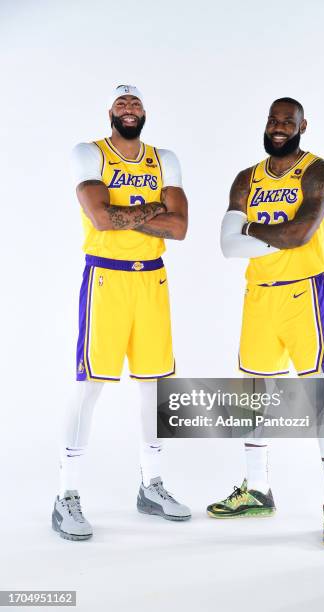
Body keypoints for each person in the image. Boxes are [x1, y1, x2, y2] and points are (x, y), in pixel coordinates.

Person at [52, 84, 191, 541]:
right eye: (121, 103)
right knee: (90, 384)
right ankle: (66, 496)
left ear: (144, 112)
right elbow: (99, 217)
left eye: (135, 103)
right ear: (109, 112)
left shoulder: (163, 158)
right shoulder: (88, 152)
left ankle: (151, 486)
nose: (129, 108)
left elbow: (180, 226)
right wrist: (151, 208)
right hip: (106, 278)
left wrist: (127, 211)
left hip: (152, 278)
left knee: (153, 388)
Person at [209, 97, 324, 547]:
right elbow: (228, 247)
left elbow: (301, 234)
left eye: (287, 122)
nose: (278, 128)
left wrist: (250, 232)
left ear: (302, 125)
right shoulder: (245, 178)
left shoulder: (318, 172)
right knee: (251, 395)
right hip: (258, 298)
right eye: (273, 120)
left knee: (321, 397)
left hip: (302, 293)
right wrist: (271, 239)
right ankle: (257, 490)